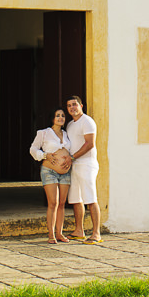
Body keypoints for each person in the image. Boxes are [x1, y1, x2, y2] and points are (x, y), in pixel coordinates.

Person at [29, 108, 73, 244]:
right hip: (49, 171)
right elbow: (33, 149)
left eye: (63, 116)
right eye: (57, 115)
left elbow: (71, 150)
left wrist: (69, 158)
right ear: (52, 118)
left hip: (65, 173)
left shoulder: (67, 134)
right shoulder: (44, 133)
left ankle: (59, 233)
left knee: (61, 203)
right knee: (53, 202)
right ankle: (51, 235)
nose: (60, 118)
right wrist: (44, 155)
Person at [64, 95, 101, 243]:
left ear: (81, 106)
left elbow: (89, 144)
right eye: (69, 105)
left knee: (90, 199)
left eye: (74, 104)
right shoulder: (70, 125)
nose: (72, 107)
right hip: (74, 166)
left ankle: (96, 233)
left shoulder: (87, 122)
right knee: (76, 199)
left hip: (87, 164)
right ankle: (79, 230)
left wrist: (73, 157)